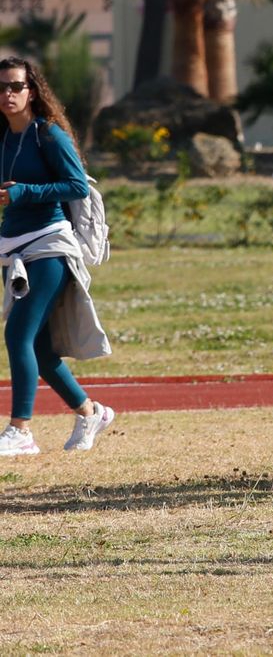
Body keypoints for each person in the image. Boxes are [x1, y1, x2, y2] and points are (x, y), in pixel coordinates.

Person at [0, 57, 112, 458]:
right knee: (42, 351)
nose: (7, 95)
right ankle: (91, 412)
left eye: (15, 86)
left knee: (17, 334)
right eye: (1, 88)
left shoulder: (47, 135)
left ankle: (21, 432)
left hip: (50, 244)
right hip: (13, 249)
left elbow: (76, 185)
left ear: (32, 90)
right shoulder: (3, 138)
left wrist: (22, 192)